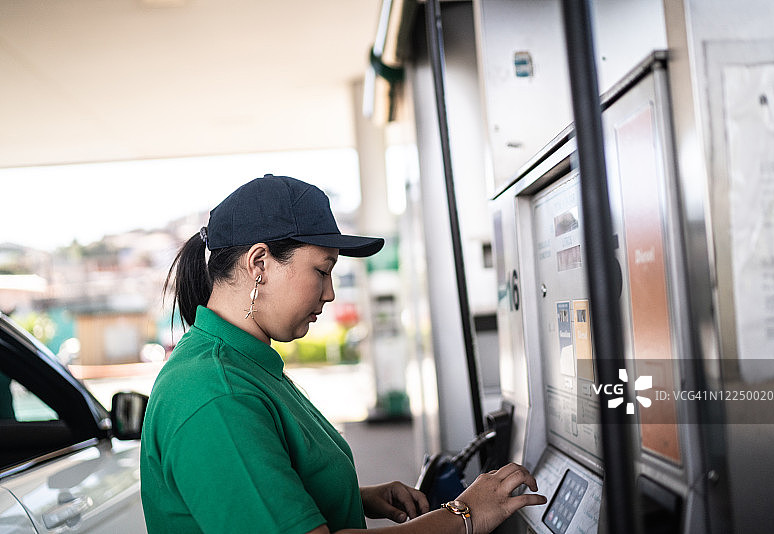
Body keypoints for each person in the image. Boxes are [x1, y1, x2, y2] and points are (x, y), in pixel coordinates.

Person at [140, 174, 547, 534]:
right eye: (322, 270)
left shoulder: (242, 362)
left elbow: (262, 481)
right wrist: (464, 515)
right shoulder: (215, 393)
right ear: (259, 263)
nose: (330, 293)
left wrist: (355, 497)